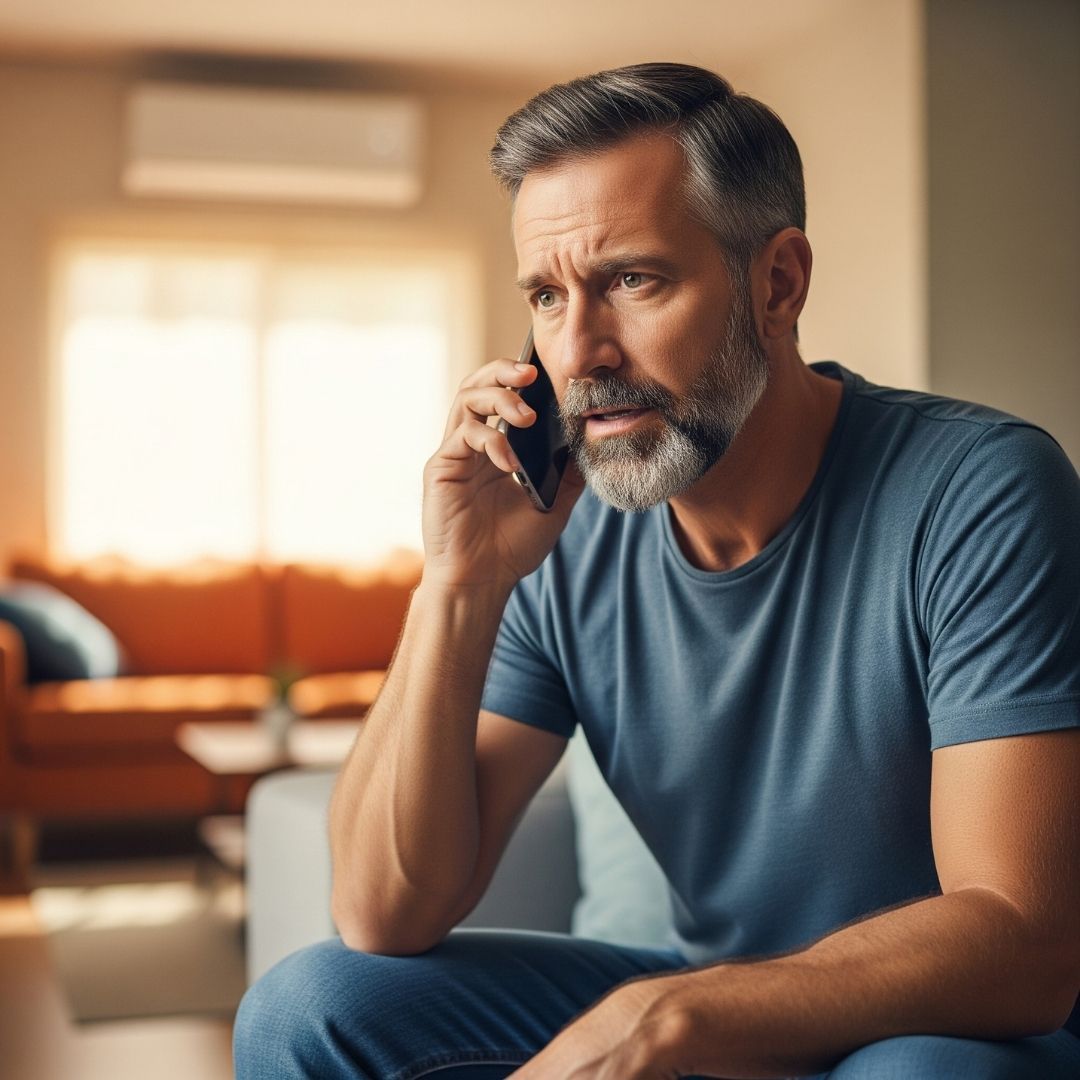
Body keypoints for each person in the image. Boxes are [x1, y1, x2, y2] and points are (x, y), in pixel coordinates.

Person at [233, 62, 1080, 1079]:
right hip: (713, 996)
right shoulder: (561, 529)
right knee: (312, 1006)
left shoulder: (979, 490)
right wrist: (459, 581)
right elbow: (382, 908)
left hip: (942, 1024)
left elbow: (1022, 939)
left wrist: (671, 1016)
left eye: (632, 280)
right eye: (547, 296)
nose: (579, 350)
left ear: (778, 282)